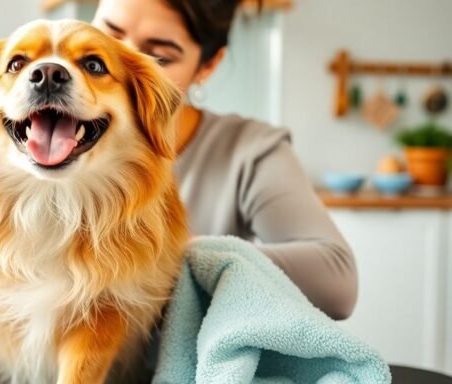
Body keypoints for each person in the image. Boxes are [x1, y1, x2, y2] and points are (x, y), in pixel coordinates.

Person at [92, 0, 357, 320]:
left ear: (208, 65)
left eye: (159, 57)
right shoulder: (34, 142)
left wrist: (180, 255)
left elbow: (338, 283)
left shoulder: (249, 151)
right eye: (107, 38)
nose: (120, 71)